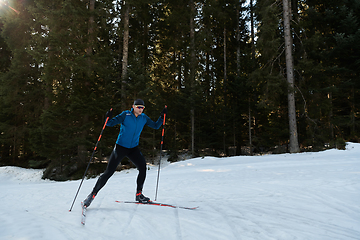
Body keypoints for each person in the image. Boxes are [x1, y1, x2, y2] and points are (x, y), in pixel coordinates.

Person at [82, 99, 167, 208]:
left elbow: (155, 126)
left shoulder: (143, 118)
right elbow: (109, 123)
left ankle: (139, 194)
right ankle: (92, 195)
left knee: (142, 167)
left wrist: (162, 117)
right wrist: (107, 117)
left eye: (142, 107)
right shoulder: (125, 115)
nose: (140, 109)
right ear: (133, 106)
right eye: (138, 107)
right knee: (109, 172)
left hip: (133, 149)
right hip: (120, 148)